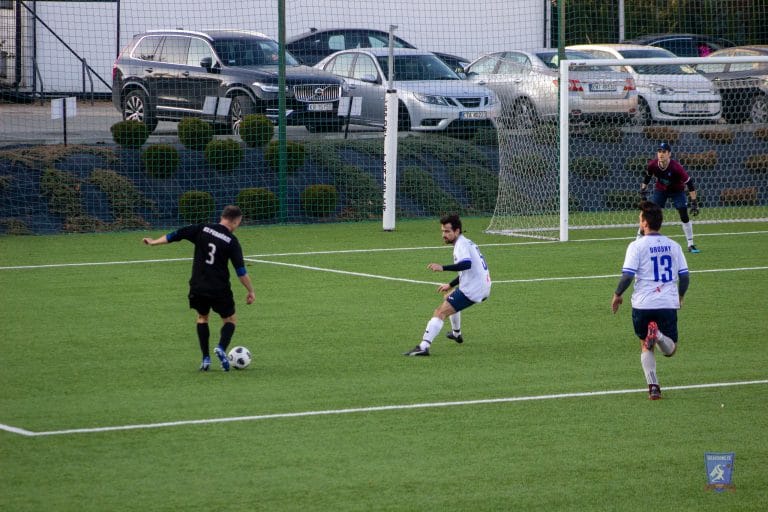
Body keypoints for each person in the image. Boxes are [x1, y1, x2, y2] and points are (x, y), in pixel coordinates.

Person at [142, 205, 255, 371]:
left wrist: (153, 242)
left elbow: (176, 235)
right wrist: (250, 290)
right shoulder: (231, 241)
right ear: (236, 221)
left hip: (197, 285)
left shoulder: (203, 228)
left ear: (222, 216)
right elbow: (241, 272)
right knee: (230, 320)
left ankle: (205, 359)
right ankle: (221, 347)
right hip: (219, 288)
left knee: (202, 317)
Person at [612, 201, 690, 400]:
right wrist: (680, 296)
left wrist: (618, 294)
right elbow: (685, 276)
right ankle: (660, 336)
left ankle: (653, 386)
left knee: (645, 345)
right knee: (670, 350)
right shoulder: (674, 246)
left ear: (645, 223)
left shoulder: (636, 246)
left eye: (640, 218)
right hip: (666, 303)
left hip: (643, 304)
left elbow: (628, 275)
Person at [404, 214, 491, 356]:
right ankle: (456, 334)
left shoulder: (461, 245)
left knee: (440, 312)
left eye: (447, 232)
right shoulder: (467, 242)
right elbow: (468, 270)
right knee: (448, 297)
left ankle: (423, 346)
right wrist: (450, 285)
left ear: (457, 231)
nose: (444, 235)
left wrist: (442, 267)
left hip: (474, 289)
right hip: (481, 285)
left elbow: (466, 264)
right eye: (442, 231)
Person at [640, 142, 701, 253]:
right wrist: (643, 190)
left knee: (683, 213)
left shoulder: (676, 168)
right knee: (650, 212)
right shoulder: (653, 165)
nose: (661, 154)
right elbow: (647, 177)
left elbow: (690, 183)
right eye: (659, 151)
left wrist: (694, 202)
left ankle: (691, 244)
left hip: (677, 191)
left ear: (669, 154)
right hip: (661, 190)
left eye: (664, 152)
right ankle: (639, 240)